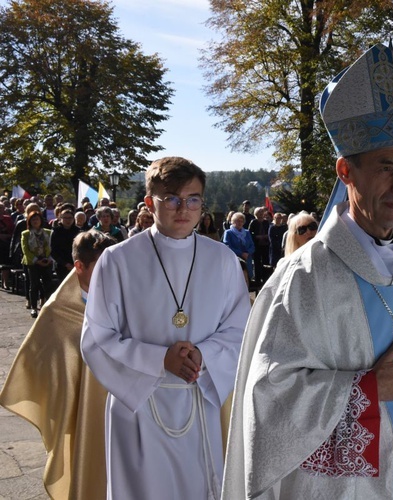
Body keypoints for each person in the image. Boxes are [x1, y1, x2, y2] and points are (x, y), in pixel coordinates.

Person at [222, 43, 393, 499]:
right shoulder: (307, 277)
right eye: (385, 167)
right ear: (346, 171)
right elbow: (269, 399)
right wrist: (367, 390)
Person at [81, 157, 251, 499]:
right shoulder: (117, 260)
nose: (183, 209)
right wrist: (160, 360)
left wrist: (203, 354)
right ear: (149, 203)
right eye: (171, 198)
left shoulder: (223, 260)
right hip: (140, 405)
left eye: (193, 199)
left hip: (198, 397)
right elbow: (96, 339)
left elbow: (240, 329)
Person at [0, 230, 118, 499]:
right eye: (103, 267)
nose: (113, 275)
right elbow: (37, 364)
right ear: (79, 266)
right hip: (81, 411)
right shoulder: (57, 313)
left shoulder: (125, 301)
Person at [21, 210, 53, 318]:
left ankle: (45, 304)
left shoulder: (48, 232)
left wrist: (49, 258)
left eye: (37, 219)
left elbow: (52, 247)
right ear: (29, 221)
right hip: (33, 262)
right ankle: (34, 308)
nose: (35, 221)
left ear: (41, 220)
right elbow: (25, 250)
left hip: (46, 260)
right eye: (33, 219)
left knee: (47, 284)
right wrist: (36, 260)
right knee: (34, 285)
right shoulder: (25, 234)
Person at [222, 211, 255, 287]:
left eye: (241, 221)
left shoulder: (247, 232)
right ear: (232, 222)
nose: (240, 223)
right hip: (235, 261)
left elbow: (252, 246)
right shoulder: (228, 233)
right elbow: (227, 246)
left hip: (247, 260)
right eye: (237, 221)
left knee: (247, 284)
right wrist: (241, 253)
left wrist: (247, 253)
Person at [50, 208, 80, 275]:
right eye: (65, 218)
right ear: (60, 219)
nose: (68, 220)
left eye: (70, 218)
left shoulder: (78, 231)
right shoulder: (56, 232)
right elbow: (53, 251)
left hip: (76, 264)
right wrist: (65, 264)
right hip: (61, 265)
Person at [249, 207, 271, 284]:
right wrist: (256, 236)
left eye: (262, 212)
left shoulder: (266, 222)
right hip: (257, 245)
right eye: (259, 213)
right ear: (256, 214)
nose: (261, 214)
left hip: (265, 245)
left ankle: (266, 278)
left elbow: (269, 232)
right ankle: (257, 279)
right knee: (257, 262)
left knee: (266, 262)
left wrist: (266, 236)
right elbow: (250, 233)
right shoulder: (253, 222)